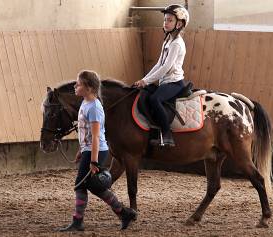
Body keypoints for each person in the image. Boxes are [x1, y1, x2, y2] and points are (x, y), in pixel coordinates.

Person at [59, 70, 136, 232]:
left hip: (97, 151)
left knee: (81, 185)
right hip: (89, 150)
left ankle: (79, 221)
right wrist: (81, 148)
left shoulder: (94, 107)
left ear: (88, 87)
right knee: (93, 187)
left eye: (78, 84)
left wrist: (93, 161)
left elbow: (96, 136)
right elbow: (85, 131)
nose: (75, 86)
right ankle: (123, 213)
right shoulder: (85, 103)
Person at [134, 4, 189, 146]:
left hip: (174, 83)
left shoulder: (177, 43)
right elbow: (159, 64)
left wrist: (146, 81)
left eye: (170, 20)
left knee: (155, 99)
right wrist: (144, 80)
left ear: (179, 24)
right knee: (144, 92)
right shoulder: (168, 40)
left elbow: (166, 67)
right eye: (165, 20)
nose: (166, 23)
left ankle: (167, 134)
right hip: (165, 82)